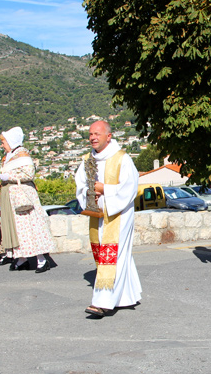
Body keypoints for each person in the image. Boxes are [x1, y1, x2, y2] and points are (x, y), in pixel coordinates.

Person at [75, 120, 142, 317]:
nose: (93, 138)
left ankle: (102, 302)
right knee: (117, 257)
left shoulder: (122, 158)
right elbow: (80, 184)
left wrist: (105, 189)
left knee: (112, 256)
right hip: (97, 214)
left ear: (108, 136)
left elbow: (130, 187)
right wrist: (89, 193)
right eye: (90, 134)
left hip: (118, 214)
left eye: (97, 134)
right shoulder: (88, 160)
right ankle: (125, 297)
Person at [0, 127, 55, 273]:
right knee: (17, 228)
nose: (2, 145)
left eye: (4, 142)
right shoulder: (10, 156)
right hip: (11, 196)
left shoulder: (22, 154)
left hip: (22, 196)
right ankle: (21, 258)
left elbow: (28, 173)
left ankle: (41, 260)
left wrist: (8, 177)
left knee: (30, 226)